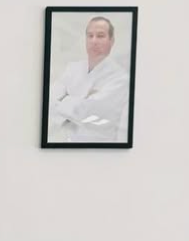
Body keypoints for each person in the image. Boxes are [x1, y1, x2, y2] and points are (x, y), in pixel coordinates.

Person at [48, 15, 129, 144]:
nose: (94, 41)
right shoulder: (72, 68)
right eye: (90, 36)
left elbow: (89, 111)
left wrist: (64, 99)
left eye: (100, 36)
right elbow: (49, 101)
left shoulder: (120, 78)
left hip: (101, 150)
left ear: (111, 41)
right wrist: (83, 100)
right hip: (65, 145)